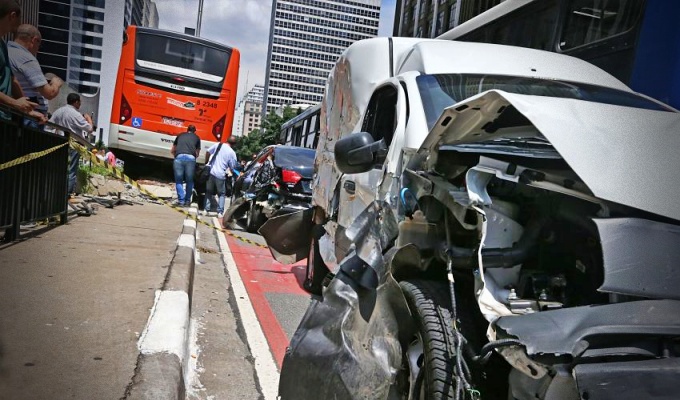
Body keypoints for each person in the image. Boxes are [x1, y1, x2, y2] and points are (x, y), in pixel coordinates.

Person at [8, 24, 63, 128]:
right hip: (30, 116)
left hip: (14, 110)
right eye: (39, 45)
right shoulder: (27, 58)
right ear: (34, 40)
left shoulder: (6, 51)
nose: (38, 49)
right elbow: (49, 93)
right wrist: (56, 84)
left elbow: (14, 81)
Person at [0, 1, 42, 119]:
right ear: (12, 16)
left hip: (5, 117)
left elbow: (12, 79)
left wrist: (28, 110)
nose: (20, 24)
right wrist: (15, 103)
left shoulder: (3, 45)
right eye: (20, 18)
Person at [50, 93, 93, 195]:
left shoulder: (59, 111)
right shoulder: (76, 114)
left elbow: (49, 124)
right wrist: (89, 119)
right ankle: (67, 193)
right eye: (80, 102)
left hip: (60, 141)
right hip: (74, 144)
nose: (80, 104)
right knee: (72, 169)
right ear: (76, 102)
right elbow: (89, 129)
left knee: (60, 167)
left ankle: (57, 190)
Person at [203, 135, 237, 217]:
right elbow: (232, 166)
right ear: (234, 144)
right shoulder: (232, 153)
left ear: (226, 140)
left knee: (209, 191)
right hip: (221, 175)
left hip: (211, 172)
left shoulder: (218, 144)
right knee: (221, 194)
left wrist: (206, 162)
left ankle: (206, 210)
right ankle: (220, 212)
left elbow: (208, 152)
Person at [171, 124, 200, 206]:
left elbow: (173, 150)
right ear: (195, 131)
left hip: (179, 157)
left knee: (178, 181)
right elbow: (197, 153)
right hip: (191, 158)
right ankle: (187, 201)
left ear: (187, 130)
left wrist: (176, 157)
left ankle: (181, 201)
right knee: (189, 181)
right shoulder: (197, 138)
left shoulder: (180, 135)